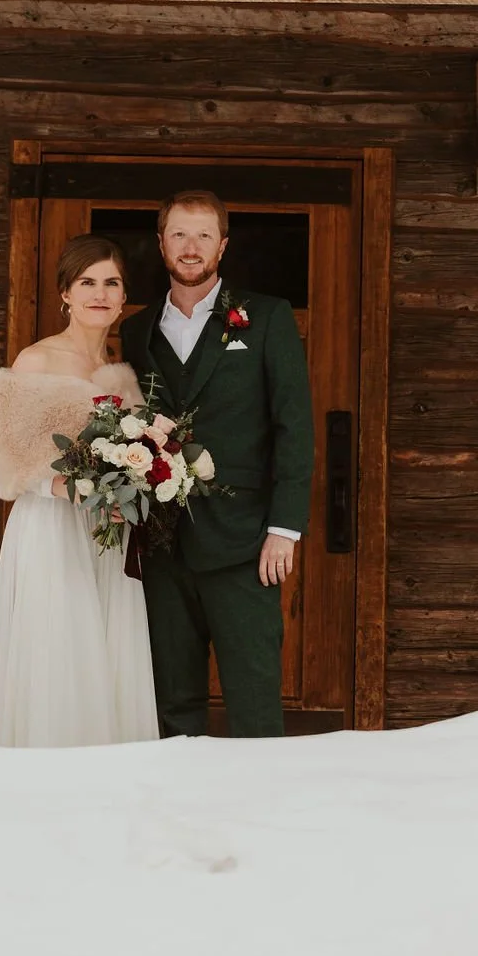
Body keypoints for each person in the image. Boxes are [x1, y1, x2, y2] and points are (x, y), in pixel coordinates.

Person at [120, 191, 314, 737]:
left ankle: (258, 816)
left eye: (204, 235)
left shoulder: (267, 317)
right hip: (162, 544)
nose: (191, 246)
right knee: (172, 707)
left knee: (254, 705)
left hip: (244, 544)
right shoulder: (136, 332)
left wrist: (284, 530)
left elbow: (294, 427)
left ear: (223, 245)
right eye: (179, 234)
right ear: (160, 244)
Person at [0, 234, 159, 748]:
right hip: (53, 529)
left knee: (105, 652)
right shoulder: (37, 361)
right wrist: (66, 486)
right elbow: (5, 459)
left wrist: (136, 485)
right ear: (66, 294)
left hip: (107, 533)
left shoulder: (122, 376)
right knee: (60, 648)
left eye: (111, 283)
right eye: (87, 282)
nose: (100, 293)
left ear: (124, 298)